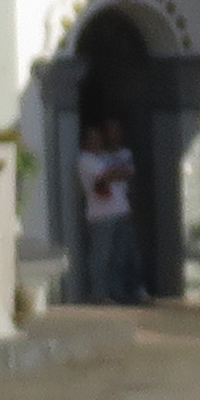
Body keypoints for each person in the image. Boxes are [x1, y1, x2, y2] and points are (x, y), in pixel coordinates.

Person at [78, 115, 140, 306]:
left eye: (99, 138)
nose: (98, 141)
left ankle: (117, 291)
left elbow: (126, 174)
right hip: (101, 215)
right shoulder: (86, 159)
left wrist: (118, 174)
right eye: (93, 138)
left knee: (120, 255)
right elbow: (111, 175)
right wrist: (118, 173)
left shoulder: (101, 158)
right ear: (86, 141)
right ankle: (99, 293)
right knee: (101, 256)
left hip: (119, 211)